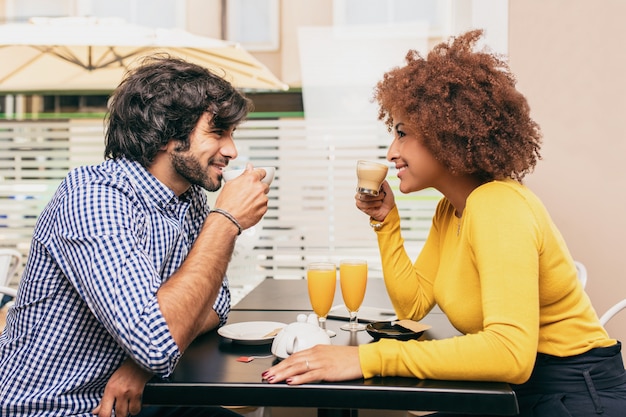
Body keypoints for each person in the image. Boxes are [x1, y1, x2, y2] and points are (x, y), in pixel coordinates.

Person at [261, 30, 626, 416]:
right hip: (515, 389)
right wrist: (386, 222)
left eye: (402, 134)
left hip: (573, 394)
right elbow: (413, 305)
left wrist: (368, 359)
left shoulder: (497, 205)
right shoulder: (451, 209)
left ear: (446, 134)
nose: (391, 152)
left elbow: (509, 354)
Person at [0, 55, 270, 417]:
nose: (231, 151)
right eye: (217, 132)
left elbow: (215, 304)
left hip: (140, 397)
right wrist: (225, 220)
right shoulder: (94, 197)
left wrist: (141, 363)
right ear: (165, 134)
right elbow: (158, 341)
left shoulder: (186, 199)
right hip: (59, 408)